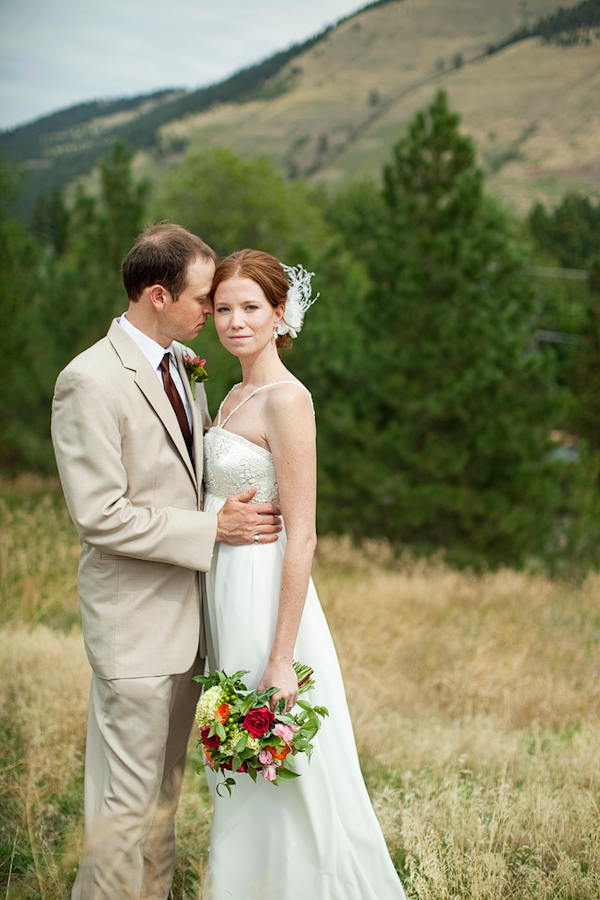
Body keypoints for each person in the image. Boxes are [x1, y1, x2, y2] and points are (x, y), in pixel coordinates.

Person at [51, 224, 282, 900]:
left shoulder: (182, 365)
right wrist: (212, 530)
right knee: (123, 814)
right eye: (204, 299)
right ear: (159, 294)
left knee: (162, 803)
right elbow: (100, 514)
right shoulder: (87, 381)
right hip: (136, 629)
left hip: (193, 627)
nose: (214, 312)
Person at [201, 249, 406, 899]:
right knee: (237, 760)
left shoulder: (288, 400)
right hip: (223, 592)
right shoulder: (232, 393)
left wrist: (283, 655)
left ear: (280, 313)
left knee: (290, 770)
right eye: (224, 308)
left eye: (251, 308)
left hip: (266, 598)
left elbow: (304, 531)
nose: (235, 321)